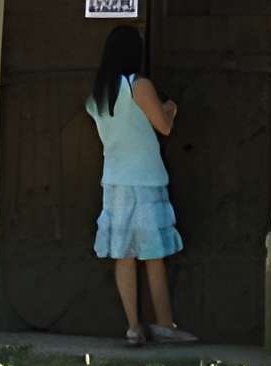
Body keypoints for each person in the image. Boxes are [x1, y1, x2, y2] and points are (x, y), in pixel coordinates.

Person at [84, 23, 197, 347]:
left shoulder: (99, 93)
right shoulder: (138, 84)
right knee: (154, 254)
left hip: (115, 180)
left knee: (124, 254)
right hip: (145, 180)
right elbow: (163, 127)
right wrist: (170, 108)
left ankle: (133, 327)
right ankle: (164, 324)